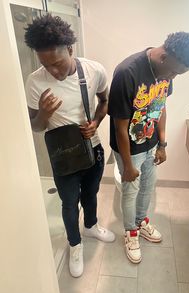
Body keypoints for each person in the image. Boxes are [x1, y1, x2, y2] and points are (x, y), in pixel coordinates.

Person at [24, 14, 115, 277]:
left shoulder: (94, 70)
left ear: (71, 49)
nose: (52, 71)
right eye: (45, 64)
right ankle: (74, 244)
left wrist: (96, 121)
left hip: (92, 146)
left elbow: (105, 102)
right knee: (68, 202)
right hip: (63, 154)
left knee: (91, 193)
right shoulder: (35, 81)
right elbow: (36, 126)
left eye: (57, 63)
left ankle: (91, 226)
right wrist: (42, 113)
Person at [108, 32, 189, 263]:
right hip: (129, 147)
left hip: (151, 144)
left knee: (148, 186)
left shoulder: (167, 73)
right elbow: (119, 127)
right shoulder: (126, 73)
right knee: (130, 190)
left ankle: (141, 222)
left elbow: (161, 107)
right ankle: (130, 232)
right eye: (174, 72)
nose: (173, 78)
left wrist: (162, 143)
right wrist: (127, 166)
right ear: (163, 57)